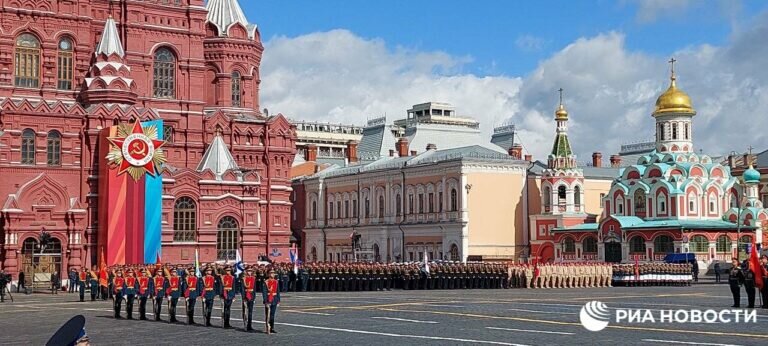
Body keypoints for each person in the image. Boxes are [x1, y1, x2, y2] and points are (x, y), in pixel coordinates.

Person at [263, 269, 281, 334]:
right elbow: (264, 292)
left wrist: (278, 300)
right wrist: (265, 301)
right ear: (268, 274)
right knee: (267, 315)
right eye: (271, 273)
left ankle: (272, 328)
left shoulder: (276, 281)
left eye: (273, 273)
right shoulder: (266, 282)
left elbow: (278, 291)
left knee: (272, 315)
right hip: (268, 299)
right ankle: (268, 327)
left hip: (275, 299)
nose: (272, 274)